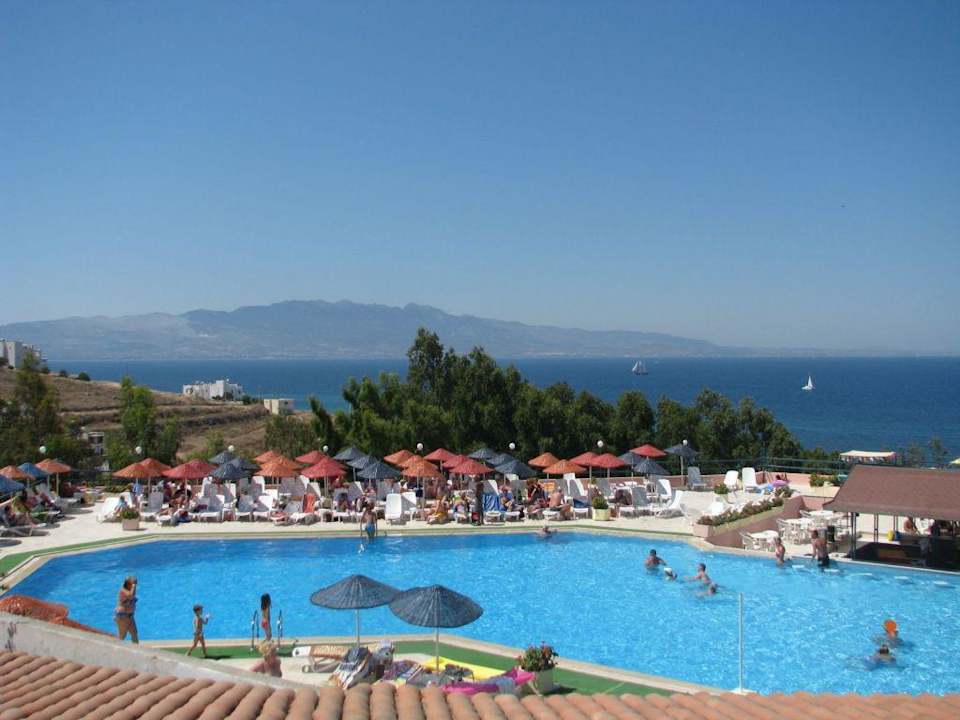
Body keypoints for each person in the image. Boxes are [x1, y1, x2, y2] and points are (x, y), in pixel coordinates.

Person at [114, 576, 139, 644]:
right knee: (122, 636)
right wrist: (134, 585)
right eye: (132, 584)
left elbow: (132, 596)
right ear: (128, 584)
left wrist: (134, 586)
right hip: (122, 617)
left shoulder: (130, 591)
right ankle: (117, 648)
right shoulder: (122, 591)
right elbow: (131, 596)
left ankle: (136, 648)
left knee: (134, 633)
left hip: (130, 616)